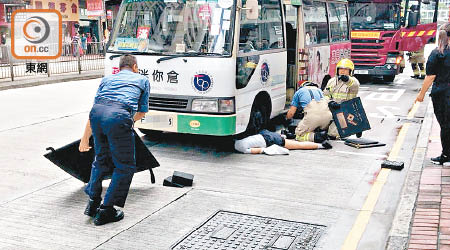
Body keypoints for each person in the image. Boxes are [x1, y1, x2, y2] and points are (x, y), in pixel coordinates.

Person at [78, 55, 150, 225]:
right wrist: (124, 122)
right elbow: (142, 111)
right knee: (125, 166)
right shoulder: (142, 80)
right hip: (118, 116)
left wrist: (85, 139)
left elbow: (95, 109)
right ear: (134, 67)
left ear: (119, 68)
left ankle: (93, 202)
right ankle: (106, 210)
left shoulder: (107, 79)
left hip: (96, 115)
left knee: (101, 159)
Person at [415, 23, 450, 165]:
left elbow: (430, 76)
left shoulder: (438, 53)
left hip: (443, 94)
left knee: (446, 125)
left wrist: (421, 94)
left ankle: (447, 156)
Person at [323, 58, 360, 139]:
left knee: (333, 134)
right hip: (331, 108)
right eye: (341, 69)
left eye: (346, 69)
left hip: (345, 111)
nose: (343, 71)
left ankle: (356, 126)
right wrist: (330, 102)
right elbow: (325, 95)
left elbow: (354, 85)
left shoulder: (353, 81)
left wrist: (347, 79)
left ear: (350, 71)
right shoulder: (332, 81)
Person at [234, 129, 332, 155]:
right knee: (292, 141)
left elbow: (261, 150)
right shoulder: (237, 139)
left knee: (298, 145)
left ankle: (321, 145)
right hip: (264, 134)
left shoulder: (241, 149)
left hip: (270, 140)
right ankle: (284, 135)